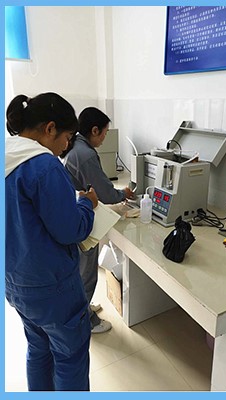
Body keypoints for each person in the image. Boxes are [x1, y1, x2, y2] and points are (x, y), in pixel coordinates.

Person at [5, 93, 98, 390]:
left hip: (16, 284)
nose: (65, 147)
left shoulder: (8, 156)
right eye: (67, 138)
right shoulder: (44, 165)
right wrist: (86, 204)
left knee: (38, 348)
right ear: (50, 128)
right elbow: (71, 230)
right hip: (52, 288)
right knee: (70, 357)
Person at [62, 107, 135, 334]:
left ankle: (82, 309)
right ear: (94, 130)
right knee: (86, 272)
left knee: (79, 271)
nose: (104, 138)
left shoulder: (77, 146)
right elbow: (105, 193)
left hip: (72, 211)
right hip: (80, 217)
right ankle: (86, 321)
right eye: (104, 133)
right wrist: (123, 194)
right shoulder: (85, 154)